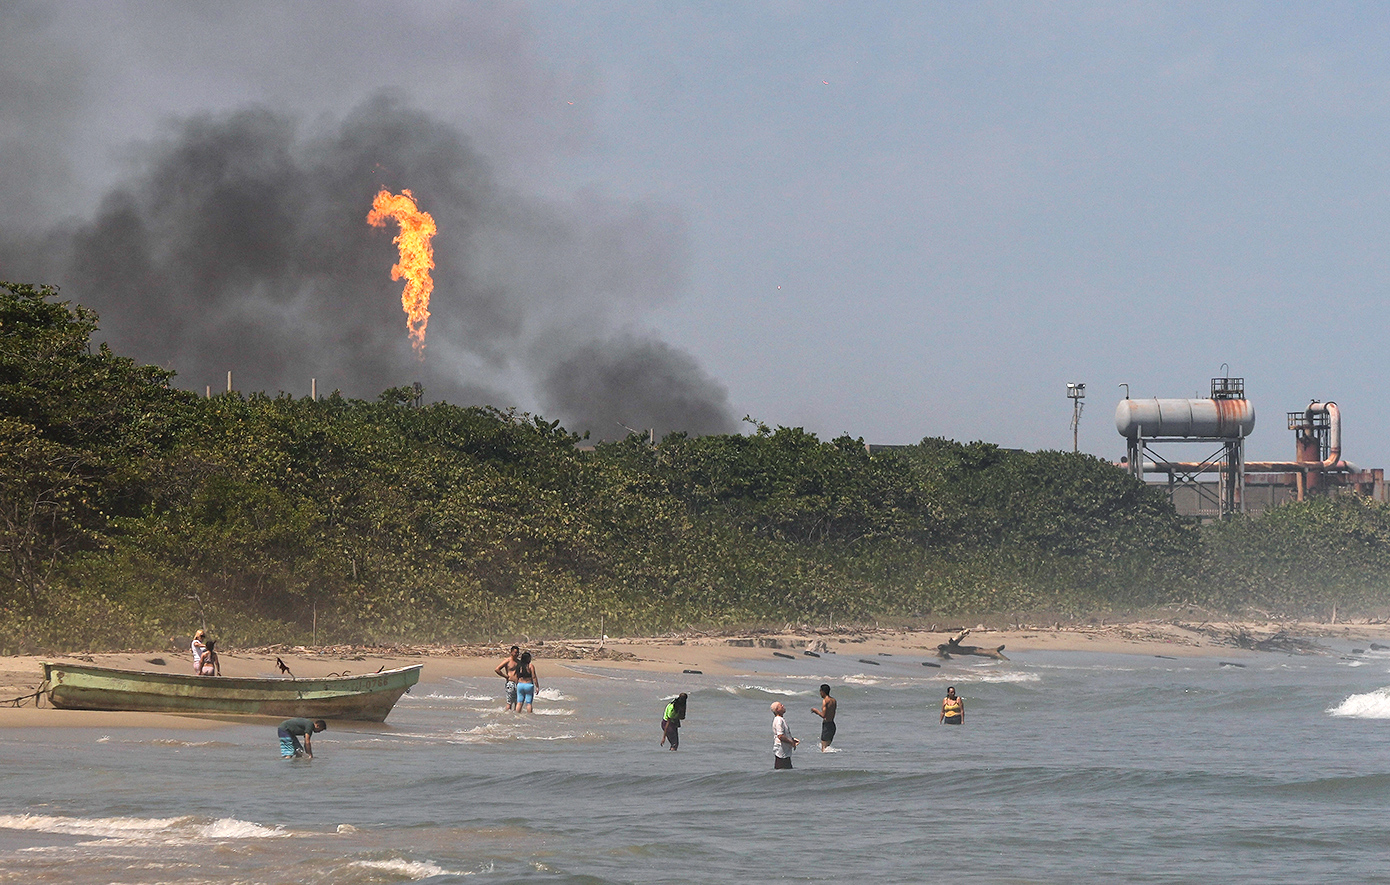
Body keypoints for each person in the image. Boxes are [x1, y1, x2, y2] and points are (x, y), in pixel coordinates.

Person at [771, 701, 798, 769]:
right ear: (777, 710)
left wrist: (792, 739)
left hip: (785, 751)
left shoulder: (780, 719)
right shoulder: (779, 720)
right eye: (781, 706)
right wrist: (791, 742)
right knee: (782, 768)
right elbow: (780, 736)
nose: (783, 706)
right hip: (782, 752)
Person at [495, 645, 521, 712]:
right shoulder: (508, 661)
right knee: (509, 703)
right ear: (511, 652)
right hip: (510, 683)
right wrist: (505, 676)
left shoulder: (519, 662)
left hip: (518, 684)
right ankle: (506, 715)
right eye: (515, 652)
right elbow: (497, 669)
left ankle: (515, 717)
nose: (517, 654)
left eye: (518, 653)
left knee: (517, 702)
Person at [811, 684, 836, 751]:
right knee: (827, 747)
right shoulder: (833, 700)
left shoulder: (825, 701)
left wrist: (816, 711)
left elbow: (823, 715)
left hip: (827, 725)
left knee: (824, 749)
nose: (820, 693)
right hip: (832, 725)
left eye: (820, 691)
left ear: (823, 692)